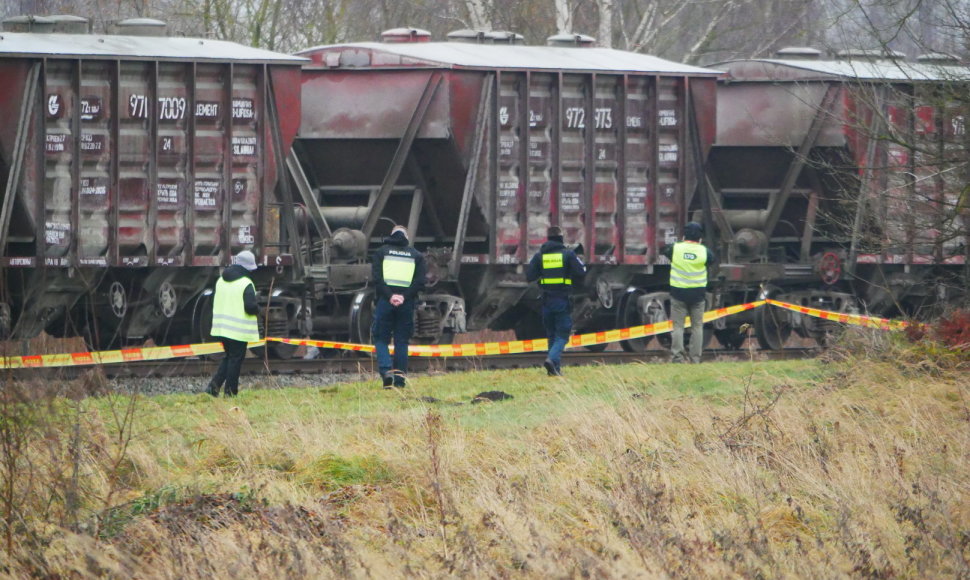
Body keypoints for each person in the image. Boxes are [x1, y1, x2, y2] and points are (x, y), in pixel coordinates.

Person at [526, 226, 586, 376]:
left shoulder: (540, 256)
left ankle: (554, 371)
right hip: (562, 300)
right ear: (560, 238)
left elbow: (529, 276)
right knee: (563, 333)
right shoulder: (567, 254)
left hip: (546, 301)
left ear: (548, 238)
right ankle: (552, 359)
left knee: (551, 334)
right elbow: (581, 271)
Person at [371, 225, 426, 388]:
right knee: (401, 341)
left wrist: (390, 296)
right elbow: (420, 282)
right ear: (406, 236)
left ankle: (386, 372)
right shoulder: (416, 255)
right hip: (406, 303)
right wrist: (403, 297)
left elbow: (377, 279)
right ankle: (400, 381)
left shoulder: (381, 252)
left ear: (392, 235)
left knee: (381, 338)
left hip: (385, 302)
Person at [206, 250, 260, 396]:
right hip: (238, 330)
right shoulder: (246, 283)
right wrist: (258, 309)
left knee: (229, 357)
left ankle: (213, 388)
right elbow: (250, 307)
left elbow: (212, 301)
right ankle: (230, 392)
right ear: (248, 268)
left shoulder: (221, 280)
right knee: (235, 360)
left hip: (221, 329)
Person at [661, 222, 717, 363]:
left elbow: (664, 251)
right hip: (697, 295)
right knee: (697, 327)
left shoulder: (675, 249)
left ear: (684, 236)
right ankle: (695, 358)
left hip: (678, 294)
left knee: (678, 327)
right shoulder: (704, 251)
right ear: (700, 238)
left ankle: (677, 357)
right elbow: (712, 260)